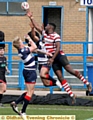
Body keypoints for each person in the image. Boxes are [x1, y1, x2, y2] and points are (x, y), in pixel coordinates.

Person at [26, 10, 92, 104]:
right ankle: (72, 95)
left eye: (47, 25)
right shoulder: (45, 34)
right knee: (60, 77)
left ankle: (87, 83)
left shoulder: (56, 36)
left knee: (70, 70)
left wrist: (52, 59)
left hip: (59, 55)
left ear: (51, 27)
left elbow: (58, 48)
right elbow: (36, 27)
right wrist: (31, 18)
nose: (45, 26)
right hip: (52, 58)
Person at [10, 35, 52, 120]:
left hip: (28, 71)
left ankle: (16, 103)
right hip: (30, 72)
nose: (22, 41)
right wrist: (30, 39)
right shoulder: (23, 50)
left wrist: (45, 53)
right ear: (19, 44)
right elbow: (35, 46)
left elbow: (36, 50)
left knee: (30, 91)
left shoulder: (23, 49)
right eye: (21, 41)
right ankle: (23, 111)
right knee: (30, 92)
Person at [26, 23, 62, 88]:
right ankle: (57, 83)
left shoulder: (49, 42)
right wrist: (32, 28)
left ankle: (56, 81)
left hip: (46, 61)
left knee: (42, 74)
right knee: (46, 84)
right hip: (40, 63)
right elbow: (33, 36)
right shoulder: (39, 42)